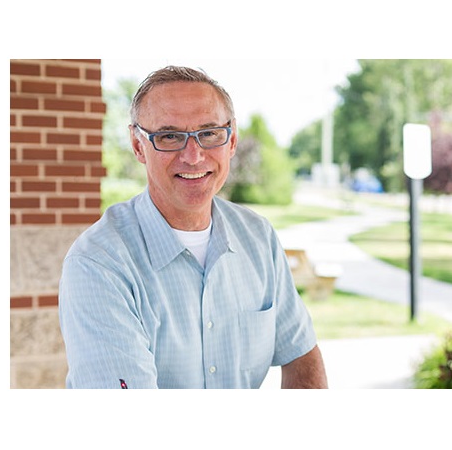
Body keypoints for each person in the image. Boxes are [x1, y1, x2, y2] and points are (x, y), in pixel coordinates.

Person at [58, 65, 327, 389]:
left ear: (231, 140)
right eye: (169, 136)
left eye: (209, 133)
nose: (194, 155)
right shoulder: (98, 264)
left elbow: (302, 355)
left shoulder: (258, 238)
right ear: (138, 145)